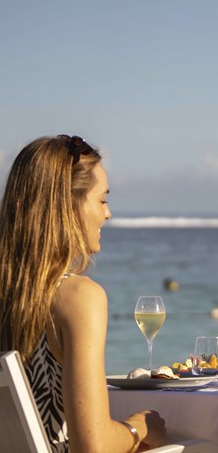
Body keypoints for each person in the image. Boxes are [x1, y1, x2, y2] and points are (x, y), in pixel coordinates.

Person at [0, 135, 167, 452]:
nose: (107, 214)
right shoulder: (77, 296)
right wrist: (138, 428)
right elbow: (92, 446)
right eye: (102, 200)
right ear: (68, 205)